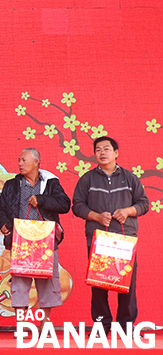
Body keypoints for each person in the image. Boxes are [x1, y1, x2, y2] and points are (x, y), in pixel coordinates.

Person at [72, 136, 148, 333]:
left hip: (124, 240)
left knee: (127, 285)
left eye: (107, 149)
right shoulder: (87, 179)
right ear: (95, 154)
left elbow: (144, 203)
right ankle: (101, 326)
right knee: (99, 285)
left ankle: (126, 327)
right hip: (99, 240)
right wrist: (96, 216)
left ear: (116, 153)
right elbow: (77, 206)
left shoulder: (130, 178)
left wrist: (128, 211)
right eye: (98, 150)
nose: (102, 153)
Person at [0, 148, 70, 332]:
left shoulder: (50, 183)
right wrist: (4, 224)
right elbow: (0, 208)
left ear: (36, 162)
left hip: (45, 240)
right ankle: (21, 326)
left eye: (24, 160)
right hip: (20, 240)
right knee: (19, 284)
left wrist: (42, 200)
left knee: (47, 283)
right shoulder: (12, 185)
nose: (20, 163)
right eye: (19, 160)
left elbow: (64, 205)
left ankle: (44, 326)